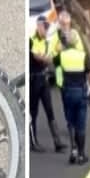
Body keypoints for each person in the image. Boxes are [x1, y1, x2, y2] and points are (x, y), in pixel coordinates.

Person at [53, 32, 90, 164]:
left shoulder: (61, 56)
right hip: (80, 94)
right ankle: (81, 154)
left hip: (67, 93)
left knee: (70, 122)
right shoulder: (83, 56)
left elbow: (54, 65)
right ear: (75, 43)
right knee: (81, 125)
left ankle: (73, 150)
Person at [29, 15, 66, 153]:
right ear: (39, 27)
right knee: (33, 112)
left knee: (50, 110)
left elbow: (49, 58)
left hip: (43, 79)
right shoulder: (32, 41)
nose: (46, 31)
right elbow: (39, 58)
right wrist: (50, 56)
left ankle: (57, 142)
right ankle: (33, 142)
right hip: (34, 81)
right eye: (45, 28)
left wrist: (54, 53)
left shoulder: (44, 42)